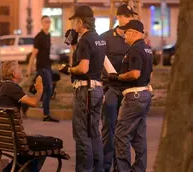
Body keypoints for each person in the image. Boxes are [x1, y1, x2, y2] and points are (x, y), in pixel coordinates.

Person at [59, 5, 106, 172]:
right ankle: (98, 169)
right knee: (94, 133)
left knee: (81, 134)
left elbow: (83, 68)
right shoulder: (98, 38)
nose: (73, 26)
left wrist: (67, 69)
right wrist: (73, 46)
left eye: (74, 22)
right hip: (97, 89)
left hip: (85, 91)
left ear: (80, 22)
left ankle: (84, 169)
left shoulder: (85, 40)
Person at [108, 20, 153, 172]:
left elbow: (134, 73)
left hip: (133, 96)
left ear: (134, 32)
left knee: (121, 135)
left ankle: (123, 170)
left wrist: (117, 77)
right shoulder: (147, 49)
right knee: (139, 136)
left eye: (126, 32)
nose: (124, 35)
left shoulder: (135, 49)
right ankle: (139, 169)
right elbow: (149, 74)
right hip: (145, 94)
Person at [100, 4, 136, 172]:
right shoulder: (105, 38)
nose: (130, 19)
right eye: (127, 16)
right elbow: (97, 63)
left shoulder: (135, 39)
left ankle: (120, 168)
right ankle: (105, 167)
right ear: (119, 17)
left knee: (124, 134)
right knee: (109, 131)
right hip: (111, 90)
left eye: (131, 16)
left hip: (128, 92)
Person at [0, 60, 46, 172]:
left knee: (30, 150)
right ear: (13, 74)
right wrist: (40, 90)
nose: (21, 69)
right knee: (43, 143)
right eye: (18, 68)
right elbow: (34, 102)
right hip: (11, 137)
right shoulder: (12, 87)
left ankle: (9, 170)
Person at [27, 15, 59, 122]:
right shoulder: (39, 37)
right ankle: (46, 115)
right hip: (42, 68)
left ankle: (25, 105)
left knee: (39, 89)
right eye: (46, 22)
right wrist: (29, 67)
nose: (48, 24)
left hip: (48, 67)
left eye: (49, 22)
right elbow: (33, 54)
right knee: (48, 89)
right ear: (41, 23)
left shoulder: (48, 35)